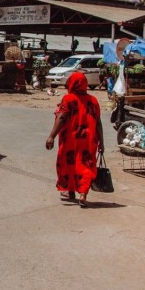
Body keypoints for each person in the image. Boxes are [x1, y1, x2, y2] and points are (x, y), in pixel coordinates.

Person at [45, 71, 104, 208]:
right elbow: (98, 123)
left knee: (68, 163)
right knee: (85, 165)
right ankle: (82, 194)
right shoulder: (93, 100)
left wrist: (51, 136)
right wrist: (102, 142)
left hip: (71, 139)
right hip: (89, 140)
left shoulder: (68, 99)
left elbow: (62, 118)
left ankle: (70, 190)